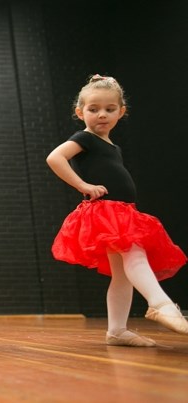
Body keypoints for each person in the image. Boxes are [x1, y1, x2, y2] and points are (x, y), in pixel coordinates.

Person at [46, 74, 187, 346]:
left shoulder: (112, 146)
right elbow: (55, 157)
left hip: (122, 211)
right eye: (93, 109)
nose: (102, 115)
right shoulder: (84, 138)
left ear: (121, 112)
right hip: (107, 212)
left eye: (109, 109)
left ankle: (117, 330)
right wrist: (82, 184)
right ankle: (161, 303)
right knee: (134, 253)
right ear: (80, 112)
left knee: (122, 275)